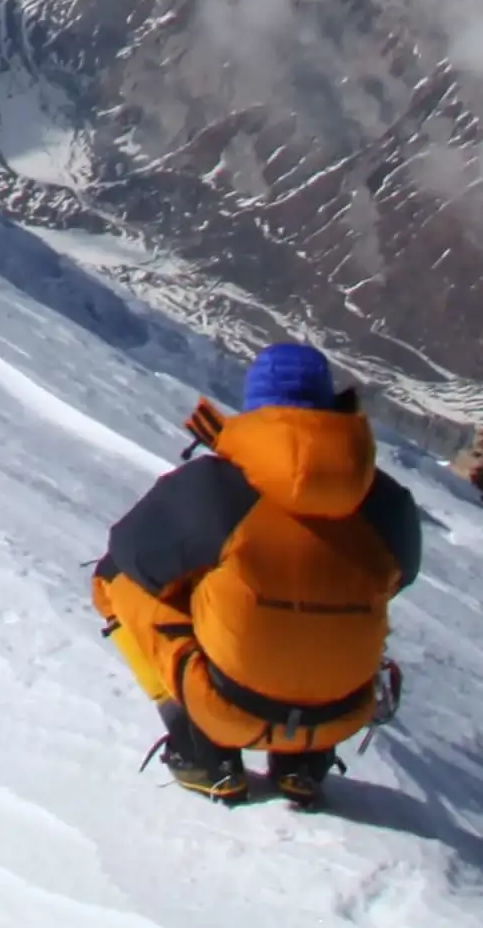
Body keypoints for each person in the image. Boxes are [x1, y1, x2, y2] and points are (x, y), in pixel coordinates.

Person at [90, 341, 423, 808]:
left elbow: (130, 552)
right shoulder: (385, 502)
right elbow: (400, 576)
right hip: (342, 711)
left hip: (226, 708)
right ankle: (304, 762)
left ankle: (201, 748)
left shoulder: (216, 488)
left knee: (114, 578)